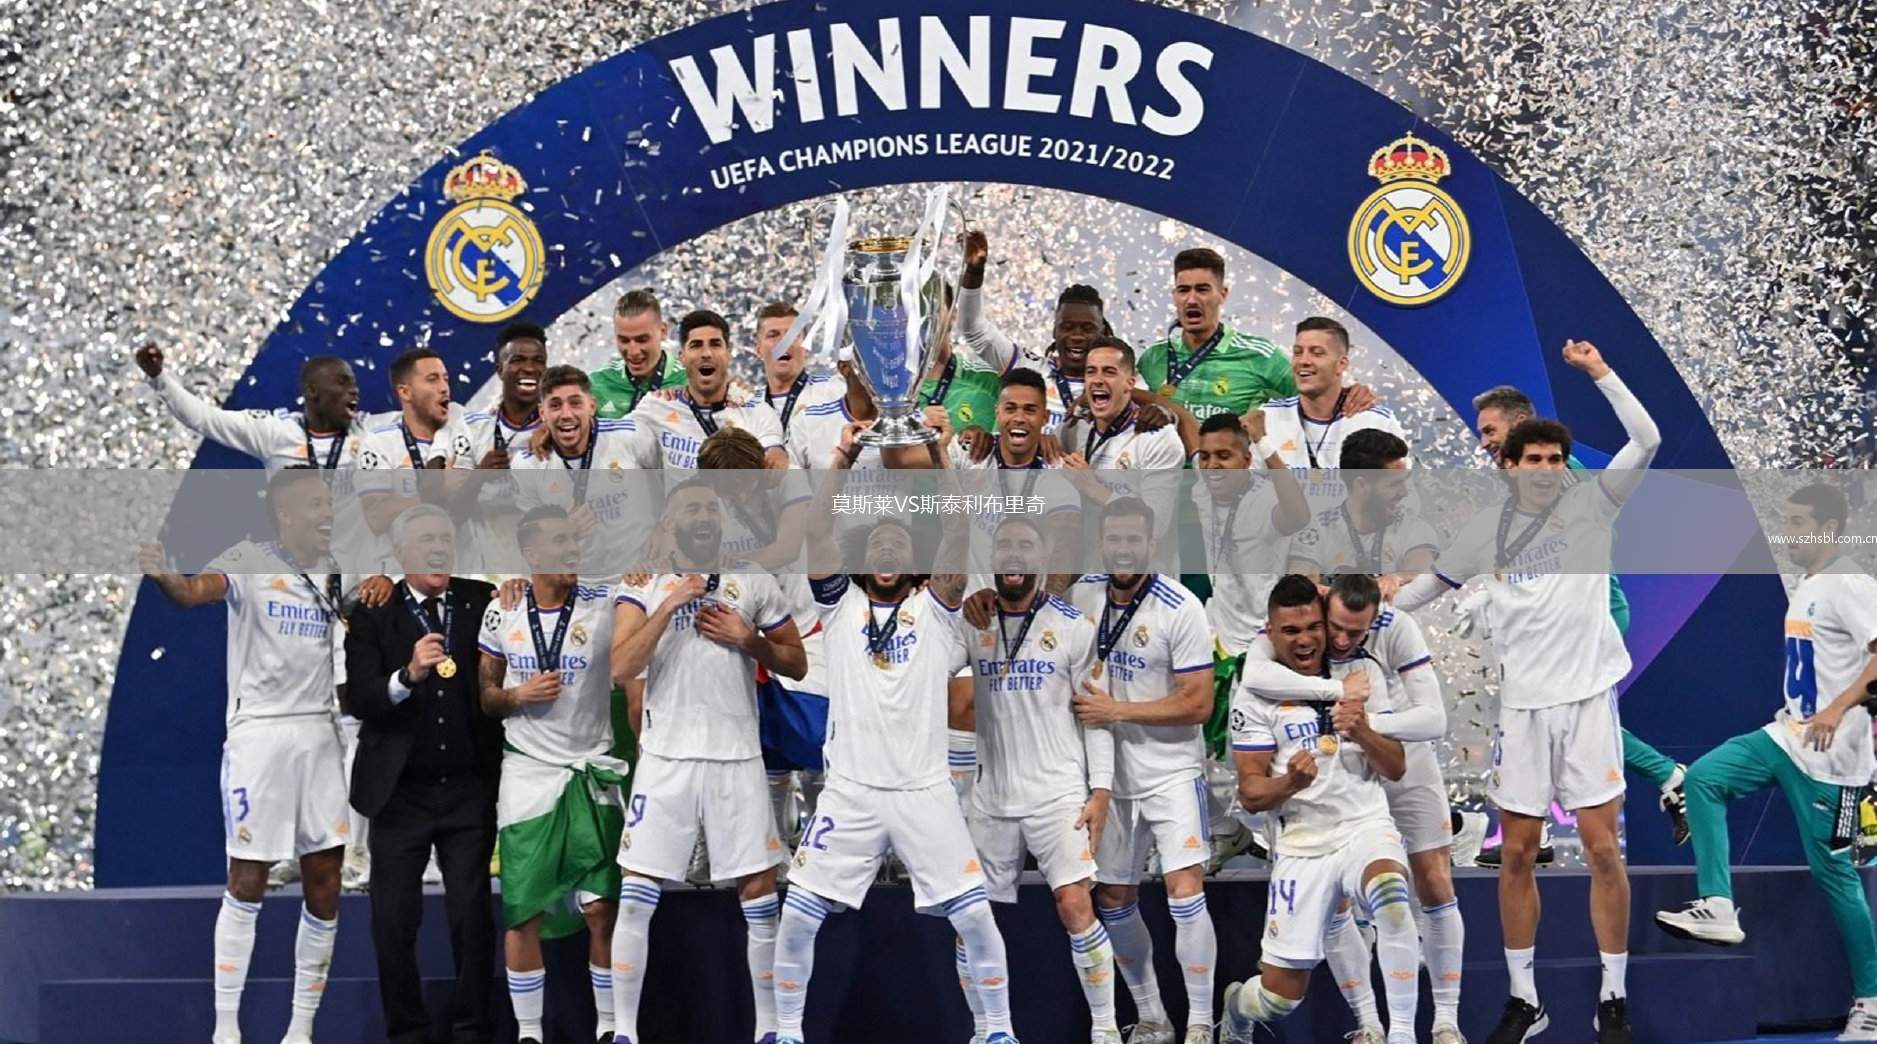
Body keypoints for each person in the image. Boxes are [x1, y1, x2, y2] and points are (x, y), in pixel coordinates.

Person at [1396, 339, 1659, 1044]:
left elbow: (1646, 440)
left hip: (1587, 701)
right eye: (1532, 460)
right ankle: (1524, 999)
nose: (1545, 470)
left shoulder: (1593, 506)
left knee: (1603, 850)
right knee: (1515, 853)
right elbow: (1425, 589)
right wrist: (1368, 608)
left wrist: (1600, 372)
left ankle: (1612, 997)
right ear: (1508, 466)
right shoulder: (1486, 530)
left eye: (1554, 459)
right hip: (1523, 709)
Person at [772, 419, 1019, 1044]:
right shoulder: (839, 606)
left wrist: (937, 452)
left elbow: (958, 530)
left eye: (899, 544)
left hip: (923, 790)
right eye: (877, 543)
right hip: (850, 791)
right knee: (798, 916)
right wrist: (844, 454)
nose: (887, 551)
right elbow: (817, 530)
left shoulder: (935, 609)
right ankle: (787, 1033)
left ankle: (997, 1031)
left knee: (975, 917)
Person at [139, 466, 354, 1044]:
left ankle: (301, 1030)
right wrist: (166, 576)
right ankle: (226, 1030)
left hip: (320, 734)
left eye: (329, 504)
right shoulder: (248, 559)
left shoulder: (339, 569)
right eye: (316, 505)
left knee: (326, 879)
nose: (327, 514)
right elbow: (193, 593)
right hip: (261, 734)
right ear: (285, 514)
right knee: (248, 877)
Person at [1657, 483, 1877, 1041]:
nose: (1788, 533)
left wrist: (1836, 709)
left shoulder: (1851, 584)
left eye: (1798, 523)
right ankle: (1718, 905)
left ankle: (1872, 1002)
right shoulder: (1810, 585)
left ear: (1828, 528)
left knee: (1836, 877)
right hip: (1786, 736)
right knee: (1704, 778)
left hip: (1833, 760)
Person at [608, 481, 807, 1044]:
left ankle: (769, 1030)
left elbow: (796, 663)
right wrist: (671, 602)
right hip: (665, 758)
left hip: (736, 757)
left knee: (759, 892)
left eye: (710, 508)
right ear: (669, 522)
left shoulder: (754, 580)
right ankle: (625, 1032)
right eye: (690, 507)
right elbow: (621, 667)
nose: (702, 515)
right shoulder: (642, 582)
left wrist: (751, 640)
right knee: (636, 892)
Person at [1237, 575, 1463, 1043]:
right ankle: (1237, 1010)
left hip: (1364, 824)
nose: (1310, 640)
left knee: (1392, 893)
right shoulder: (1257, 688)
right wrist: (1290, 781)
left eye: (1313, 629)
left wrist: (1363, 729)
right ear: (1271, 632)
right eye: (1291, 631)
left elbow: (1396, 766)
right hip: (1302, 842)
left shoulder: (1366, 670)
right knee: (1278, 999)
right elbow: (1251, 794)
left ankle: (1402, 1034)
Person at [1472, 382, 1689, 847]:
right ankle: (1534, 819)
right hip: (1576, 606)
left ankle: (1665, 776)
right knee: (1552, 711)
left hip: (1594, 605)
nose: (1484, 442)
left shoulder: (1557, 474)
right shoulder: (1520, 477)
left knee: (1566, 711)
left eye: (1490, 430)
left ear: (1519, 425)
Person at [341, 505, 502, 1044]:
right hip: (399, 794)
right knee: (392, 922)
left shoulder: (482, 601)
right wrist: (407, 675)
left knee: (472, 918)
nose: (438, 549)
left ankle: (472, 1031)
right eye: (426, 540)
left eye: (445, 539)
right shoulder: (373, 612)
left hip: (467, 791)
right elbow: (361, 698)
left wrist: (517, 590)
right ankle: (407, 1033)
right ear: (401, 553)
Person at [959, 516, 1120, 1043]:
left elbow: (1095, 714)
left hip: (1057, 792)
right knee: (971, 916)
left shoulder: (1074, 626)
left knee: (1075, 904)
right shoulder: (972, 621)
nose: (1014, 554)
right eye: (1004, 544)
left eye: (1025, 545)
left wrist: (1100, 791)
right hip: (992, 797)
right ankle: (986, 1030)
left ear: (1043, 556)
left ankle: (1105, 1031)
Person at [476, 505, 628, 1044]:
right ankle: (529, 1033)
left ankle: (610, 1027)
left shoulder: (605, 603)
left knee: (602, 907)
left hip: (590, 770)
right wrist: (517, 695)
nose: (572, 551)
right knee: (523, 909)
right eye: (560, 542)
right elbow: (487, 697)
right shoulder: (501, 612)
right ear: (531, 553)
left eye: (574, 540)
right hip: (528, 774)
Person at [1068, 499, 1218, 1044]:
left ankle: (1200, 1022)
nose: (1124, 549)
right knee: (1112, 898)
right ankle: (1154, 1017)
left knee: (1184, 890)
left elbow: (1198, 703)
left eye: (1134, 540)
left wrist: (1118, 711)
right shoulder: (1082, 595)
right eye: (1114, 539)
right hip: (1108, 779)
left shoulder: (1181, 607)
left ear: (1152, 545)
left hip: (1171, 770)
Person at [1189, 410, 1310, 870]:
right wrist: (1154, 400)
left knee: (1270, 761)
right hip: (1218, 643)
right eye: (1206, 458)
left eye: (1225, 457)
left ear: (1246, 460)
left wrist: (1263, 442)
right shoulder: (1201, 490)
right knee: (1183, 750)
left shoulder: (1264, 498)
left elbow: (1299, 512)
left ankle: (1291, 853)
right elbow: (1192, 433)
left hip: (1264, 651)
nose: (1213, 466)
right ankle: (1224, 829)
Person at [954, 228, 1112, 432]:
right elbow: (973, 329)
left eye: (1088, 328)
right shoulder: (1028, 368)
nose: (1077, 336)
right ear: (1054, 331)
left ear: (1102, 333)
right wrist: (974, 272)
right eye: (1067, 327)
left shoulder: (1119, 385)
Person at [511, 366, 650, 577]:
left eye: (575, 403)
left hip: (641, 575)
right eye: (555, 405)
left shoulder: (631, 437)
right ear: (542, 413)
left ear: (592, 406)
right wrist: (562, 530)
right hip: (579, 582)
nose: (566, 414)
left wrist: (664, 534)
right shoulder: (527, 465)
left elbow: (673, 488)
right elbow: (531, 540)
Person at [1057, 338, 1187, 557]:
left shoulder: (1158, 439)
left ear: (1130, 383)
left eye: (1109, 372)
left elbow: (1156, 526)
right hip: (1086, 567)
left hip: (1141, 572)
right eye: (1091, 372)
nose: (1098, 380)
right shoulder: (1073, 429)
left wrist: (1092, 487)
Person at [1257, 317, 1405, 509]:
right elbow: (1248, 493)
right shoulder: (1267, 418)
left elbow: (1403, 494)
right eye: (1298, 352)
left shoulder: (1377, 422)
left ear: (1341, 364)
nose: (1303, 361)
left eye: (1317, 353)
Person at [1137, 248, 1295, 423]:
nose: (1191, 300)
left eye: (1202, 290)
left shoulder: (1261, 356)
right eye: (1183, 290)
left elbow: (1312, 402)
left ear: (1222, 294)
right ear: (1174, 296)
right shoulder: (1153, 357)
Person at [356, 347, 476, 569]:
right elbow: (377, 517)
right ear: (405, 392)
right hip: (402, 574)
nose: (444, 388)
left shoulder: (464, 431)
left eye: (445, 379)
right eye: (432, 379)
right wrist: (437, 491)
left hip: (463, 572)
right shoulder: (380, 442)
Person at [625, 309, 788, 469]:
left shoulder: (754, 409)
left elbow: (774, 454)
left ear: (728, 353)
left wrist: (775, 456)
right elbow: (619, 442)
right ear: (682, 357)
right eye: (696, 345)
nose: (706, 353)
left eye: (715, 344)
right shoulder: (656, 407)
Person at [1285, 428, 1438, 584]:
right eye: (1394, 484)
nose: (1404, 492)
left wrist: (1396, 579)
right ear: (1361, 485)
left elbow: (1420, 569)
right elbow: (1302, 579)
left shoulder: (1412, 527)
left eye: (1405, 480)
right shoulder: (1317, 529)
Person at [457, 321, 548, 573]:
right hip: (489, 572)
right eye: (518, 360)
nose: (529, 368)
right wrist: (478, 477)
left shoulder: (561, 429)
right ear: (500, 370)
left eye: (538, 361)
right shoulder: (471, 429)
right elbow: (450, 514)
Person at [590, 288, 686, 419]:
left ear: (663, 331)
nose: (633, 351)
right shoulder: (596, 385)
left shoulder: (690, 382)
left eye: (642, 340)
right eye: (624, 340)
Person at [753, 301, 845, 435]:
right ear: (758, 350)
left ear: (806, 347)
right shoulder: (746, 406)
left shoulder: (837, 391)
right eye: (773, 335)